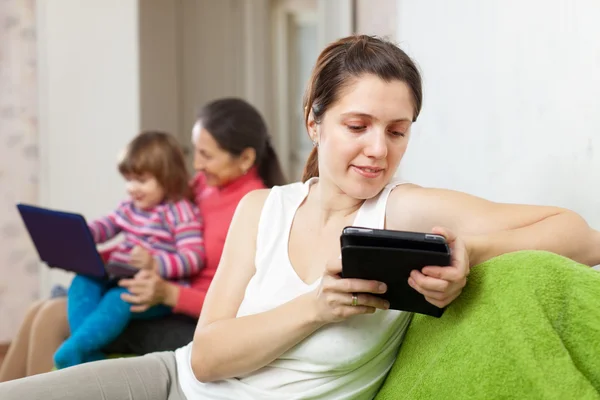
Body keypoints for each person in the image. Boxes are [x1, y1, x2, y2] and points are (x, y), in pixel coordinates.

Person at [1, 34, 599, 399]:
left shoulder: (404, 208)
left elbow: (580, 236)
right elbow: (206, 356)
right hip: (173, 380)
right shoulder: (262, 206)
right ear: (315, 122)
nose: (378, 149)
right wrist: (315, 307)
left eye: (397, 131)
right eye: (357, 126)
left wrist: (463, 252)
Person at [0, 98, 285, 381]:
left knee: (53, 317)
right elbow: (152, 228)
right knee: (40, 309)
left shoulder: (257, 209)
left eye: (207, 156)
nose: (196, 165)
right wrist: (105, 256)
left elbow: (242, 304)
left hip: (188, 318)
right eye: (196, 152)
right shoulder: (203, 185)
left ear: (246, 158)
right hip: (150, 290)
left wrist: (168, 294)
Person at [52, 131, 205, 369]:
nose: (132, 188)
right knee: (82, 282)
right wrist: (83, 234)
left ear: (168, 178)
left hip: (151, 287)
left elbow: (193, 257)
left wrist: (155, 263)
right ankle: (85, 350)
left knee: (118, 299)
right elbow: (107, 225)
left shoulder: (180, 212)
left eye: (141, 181)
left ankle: (75, 349)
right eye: (129, 180)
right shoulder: (129, 207)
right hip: (119, 274)